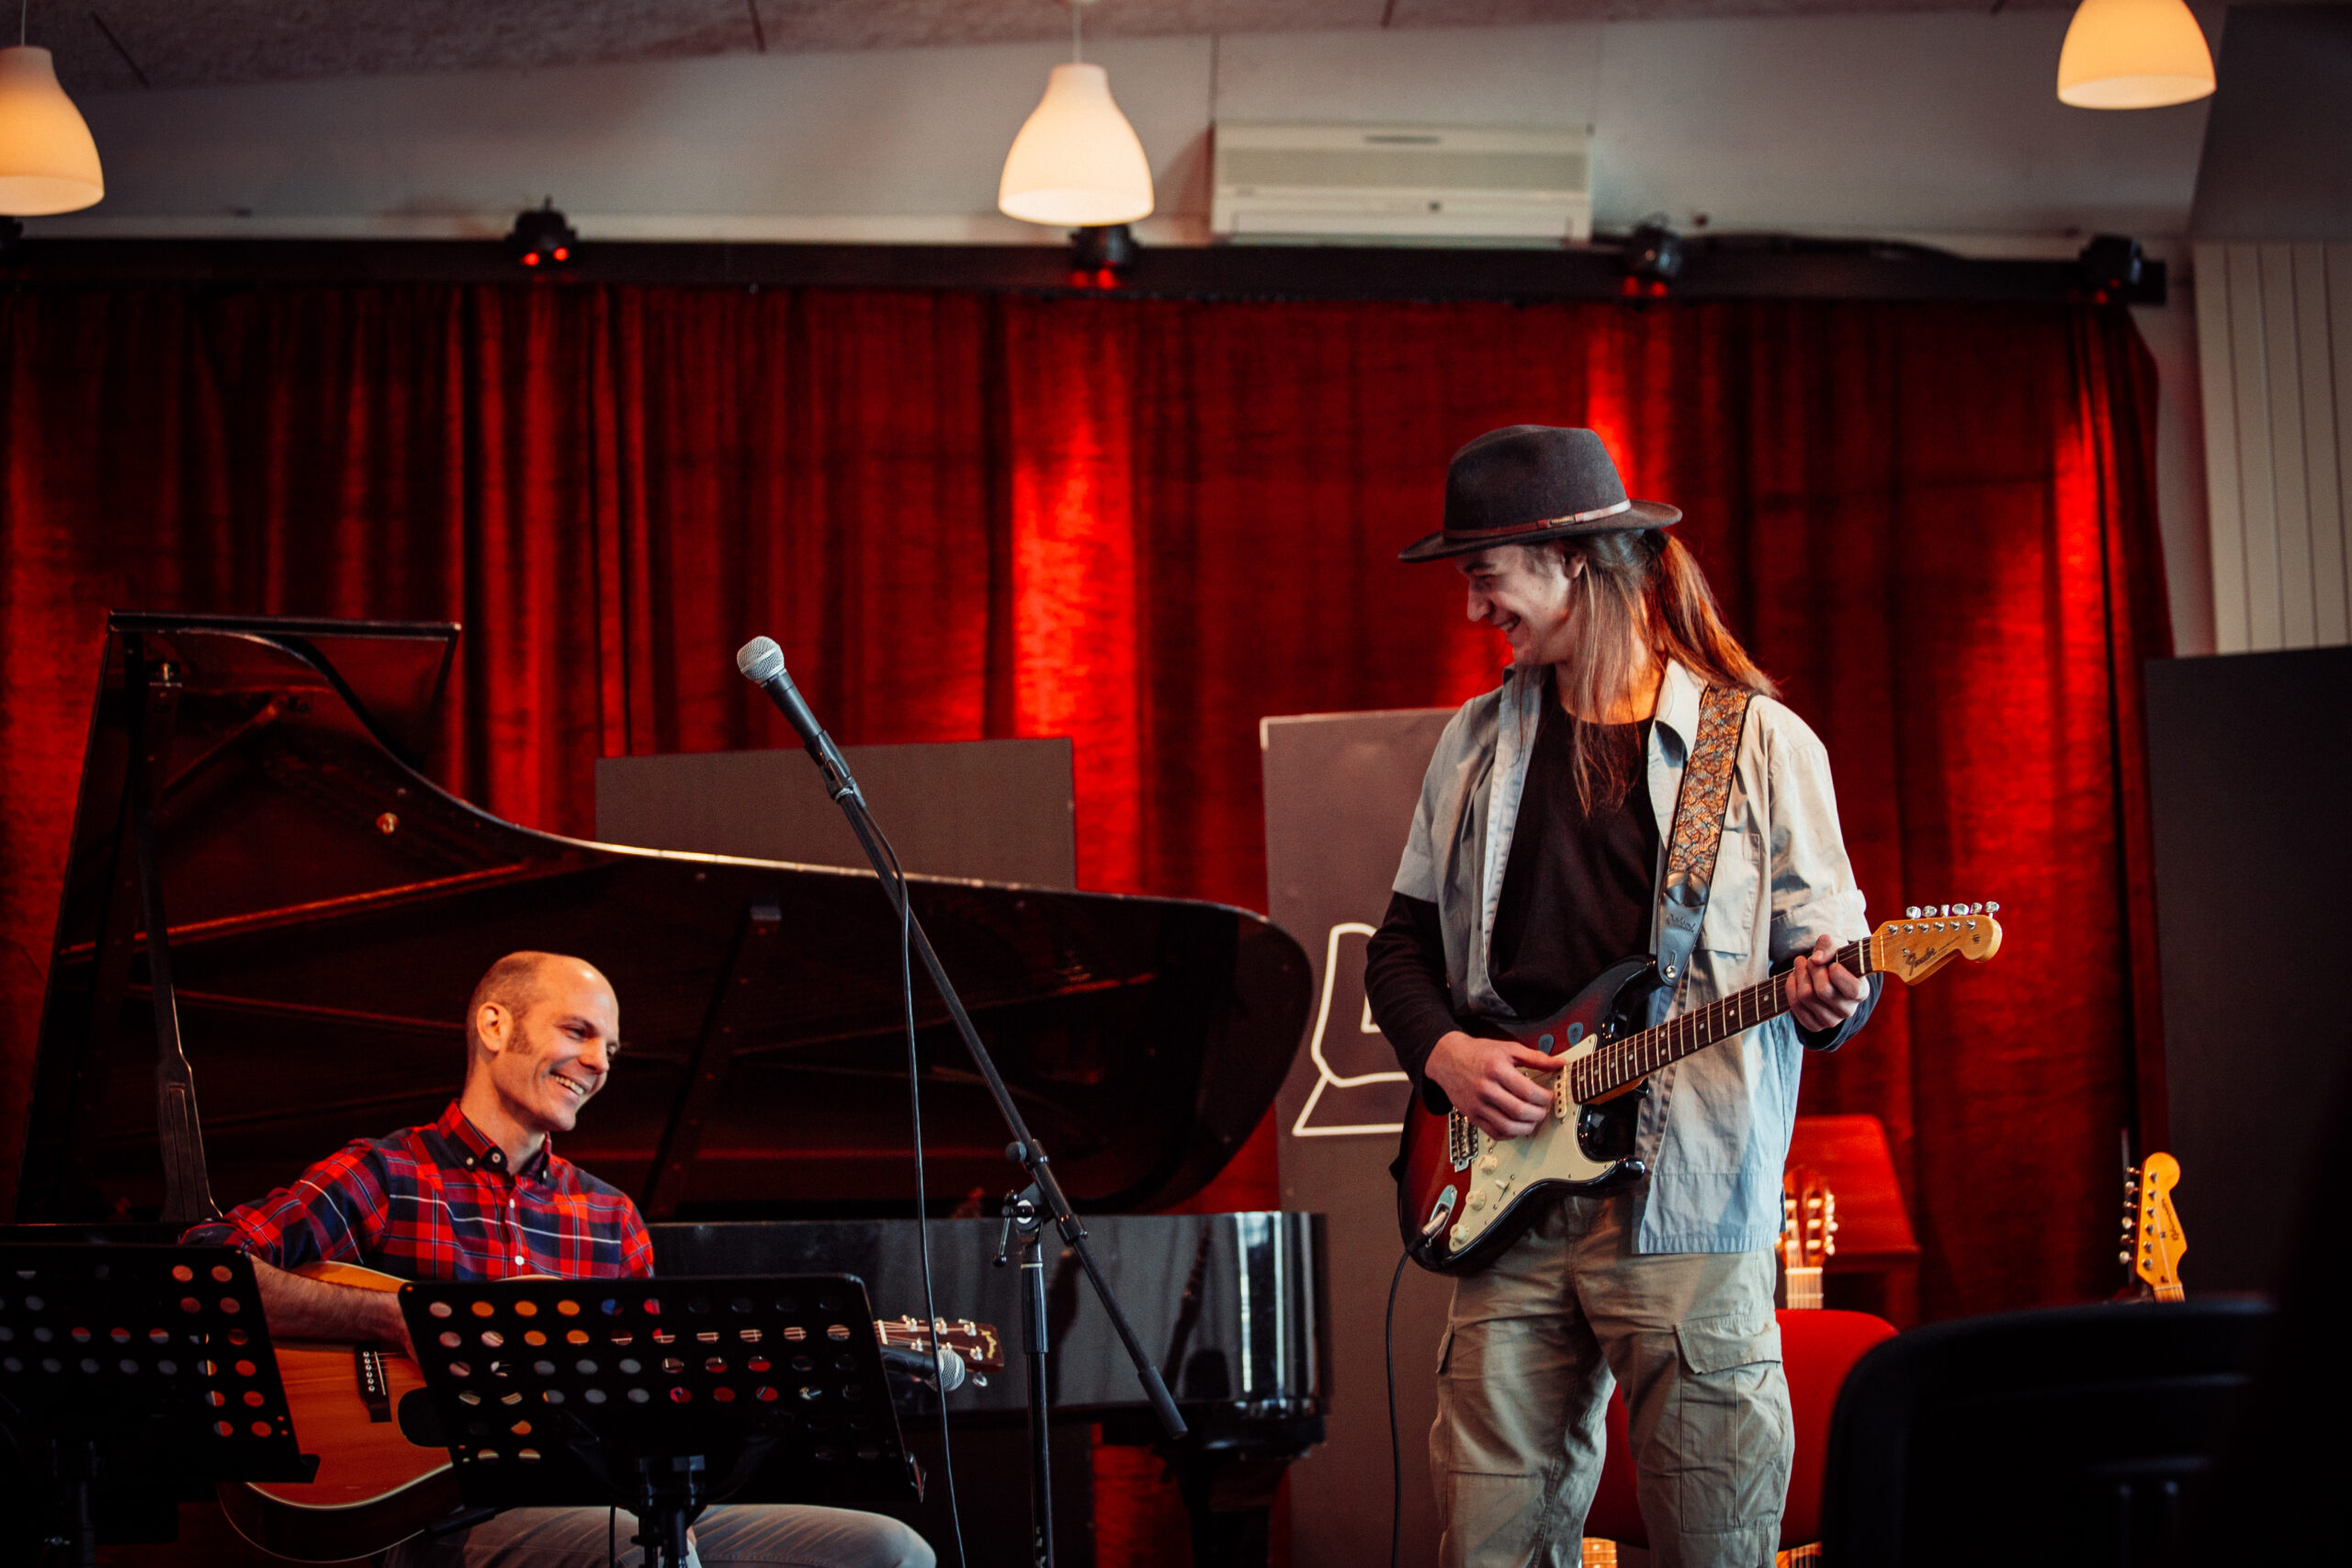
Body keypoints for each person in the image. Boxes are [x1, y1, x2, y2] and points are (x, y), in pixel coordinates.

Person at [1363, 426, 1880, 1568]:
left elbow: (1836, 973)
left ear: (1569, 560)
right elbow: (1395, 950)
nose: (1471, 611)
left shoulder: (1760, 745)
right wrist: (1446, 1056)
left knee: (1716, 1544)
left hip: (1685, 1204)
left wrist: (1835, 997)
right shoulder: (1474, 742)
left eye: (1482, 577)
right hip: (1502, 1205)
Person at [185, 950, 933, 1568]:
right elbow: (204, 1271)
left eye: (608, 1047)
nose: (597, 1062)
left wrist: (762, 1373)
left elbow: (654, 1393)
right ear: (493, 1024)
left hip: (598, 1504)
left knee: (890, 1549)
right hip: (436, 1517)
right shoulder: (388, 1173)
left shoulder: (610, 1218)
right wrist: (397, 1319)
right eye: (577, 1031)